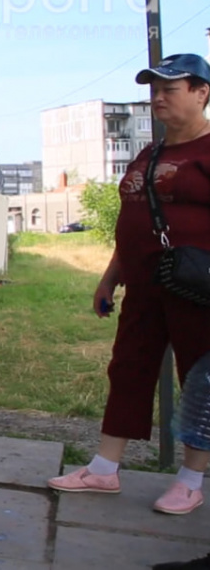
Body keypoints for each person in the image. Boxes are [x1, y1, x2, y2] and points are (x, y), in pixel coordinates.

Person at [47, 53, 210, 515]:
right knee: (128, 370)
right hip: (144, 288)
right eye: (153, 90)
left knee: (201, 383)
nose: (158, 97)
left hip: (198, 291)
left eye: (170, 89)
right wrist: (109, 278)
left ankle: (191, 480)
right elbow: (134, 221)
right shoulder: (149, 153)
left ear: (201, 92)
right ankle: (103, 468)